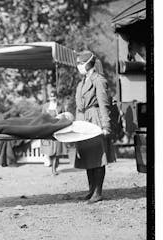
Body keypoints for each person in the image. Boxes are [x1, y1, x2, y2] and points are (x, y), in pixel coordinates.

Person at [74, 50, 116, 203]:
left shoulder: (99, 80)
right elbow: (78, 106)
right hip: (84, 121)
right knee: (88, 158)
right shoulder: (81, 83)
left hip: (95, 120)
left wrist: (106, 126)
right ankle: (91, 190)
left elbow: (104, 104)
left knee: (97, 158)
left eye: (80, 63)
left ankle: (98, 192)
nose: (78, 66)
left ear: (88, 63)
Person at [41, 90, 67, 175]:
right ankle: (53, 167)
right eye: (51, 96)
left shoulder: (60, 106)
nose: (52, 98)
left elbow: (64, 116)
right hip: (48, 129)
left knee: (57, 151)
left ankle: (54, 169)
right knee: (50, 150)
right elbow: (42, 117)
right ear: (49, 97)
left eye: (54, 96)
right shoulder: (45, 106)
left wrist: (60, 117)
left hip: (57, 128)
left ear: (56, 97)